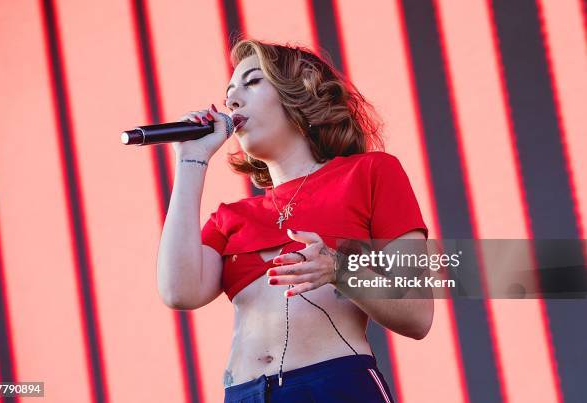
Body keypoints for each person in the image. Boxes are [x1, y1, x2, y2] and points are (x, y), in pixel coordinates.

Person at [157, 39, 433, 403]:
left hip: (332, 384)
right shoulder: (231, 217)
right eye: (229, 94)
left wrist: (338, 269)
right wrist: (191, 161)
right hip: (244, 393)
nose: (233, 101)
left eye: (252, 82)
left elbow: (417, 314)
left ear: (300, 89)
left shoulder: (370, 173)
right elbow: (179, 291)